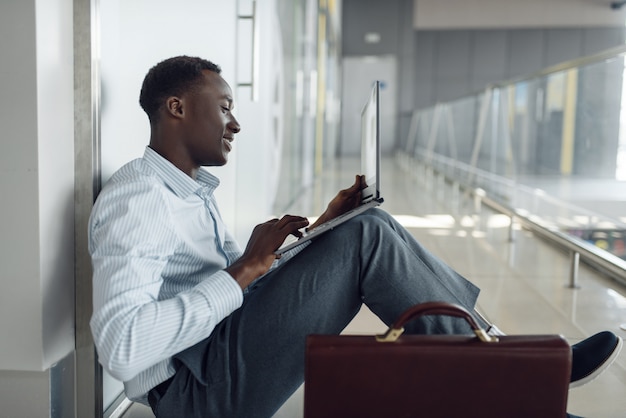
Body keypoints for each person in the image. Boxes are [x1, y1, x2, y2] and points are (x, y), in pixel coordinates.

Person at [89, 55, 622, 418]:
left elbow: (236, 295)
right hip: (195, 395)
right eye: (224, 106)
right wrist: (240, 270)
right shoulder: (139, 199)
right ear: (176, 108)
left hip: (213, 360)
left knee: (364, 227)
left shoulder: (185, 191)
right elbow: (121, 345)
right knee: (367, 237)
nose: (235, 123)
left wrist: (321, 229)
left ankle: (513, 368)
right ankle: (517, 374)